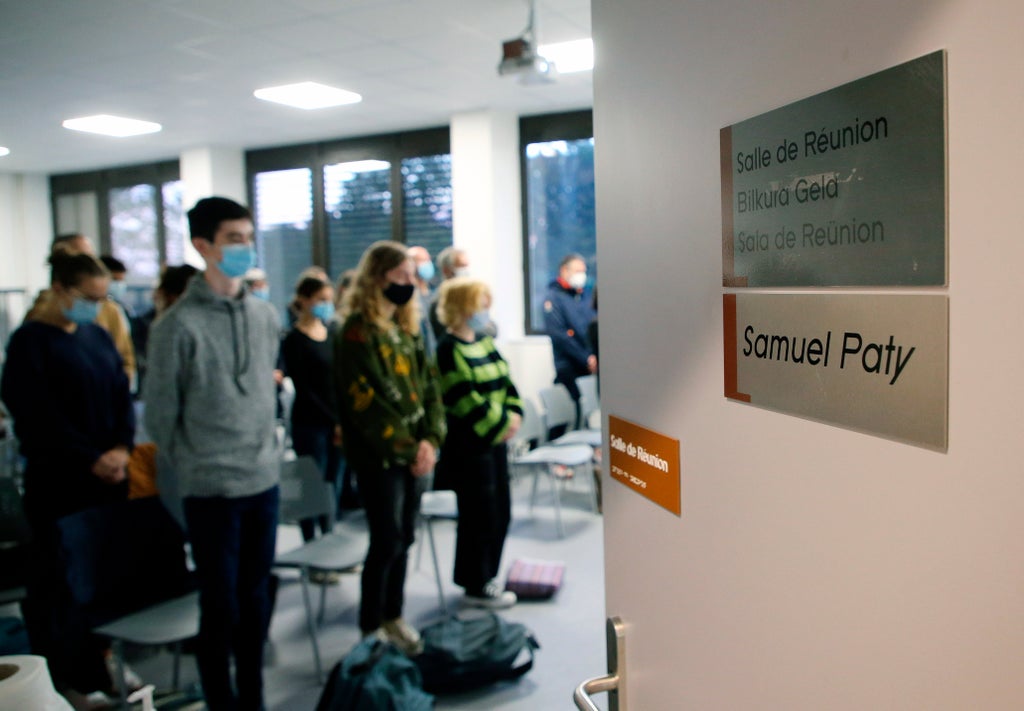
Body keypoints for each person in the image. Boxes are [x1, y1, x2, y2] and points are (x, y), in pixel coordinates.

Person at [144, 196, 281, 711]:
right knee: (220, 606)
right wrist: (198, 461)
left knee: (256, 599)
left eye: (249, 237)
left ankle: (254, 700)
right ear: (203, 246)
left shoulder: (264, 315)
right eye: (233, 239)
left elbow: (263, 393)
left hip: (262, 480)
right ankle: (222, 703)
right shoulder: (175, 326)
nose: (245, 247)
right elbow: (161, 418)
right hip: (210, 489)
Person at [1, 251, 135, 708]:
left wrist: (121, 449)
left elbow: (120, 395)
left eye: (102, 299)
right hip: (60, 483)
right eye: (88, 298)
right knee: (60, 586)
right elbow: (37, 416)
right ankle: (66, 683)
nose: (96, 308)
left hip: (108, 479)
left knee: (104, 578)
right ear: (60, 289)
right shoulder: (30, 344)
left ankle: (105, 665)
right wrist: (90, 457)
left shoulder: (97, 336)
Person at [333, 240, 445, 656]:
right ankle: (370, 624)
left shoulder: (406, 326)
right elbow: (366, 404)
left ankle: (393, 615)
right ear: (378, 278)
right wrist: (410, 448)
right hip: (380, 456)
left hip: (417, 452)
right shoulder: (355, 332)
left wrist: (431, 439)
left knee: (406, 536)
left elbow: (430, 385)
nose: (409, 283)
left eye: (411, 276)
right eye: (401, 275)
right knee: (386, 539)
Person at [435, 277, 522, 609]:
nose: (486, 311)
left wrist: (514, 416)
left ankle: (488, 577)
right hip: (470, 448)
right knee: (479, 516)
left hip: (495, 443)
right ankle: (475, 583)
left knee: (501, 512)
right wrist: (501, 425)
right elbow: (463, 399)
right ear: (462, 307)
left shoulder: (485, 341)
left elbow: (507, 383)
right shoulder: (447, 349)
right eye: (480, 304)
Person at [279, 275, 342, 547]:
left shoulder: (332, 334)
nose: (326, 305)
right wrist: (332, 418)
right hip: (310, 421)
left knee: (332, 484)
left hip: (336, 422)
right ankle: (311, 543)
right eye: (321, 300)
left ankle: (329, 538)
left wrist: (341, 421)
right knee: (311, 483)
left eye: (329, 300)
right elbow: (305, 387)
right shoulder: (293, 339)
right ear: (304, 301)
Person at [26, 234, 137, 387]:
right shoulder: (34, 330)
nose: (87, 262)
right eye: (88, 298)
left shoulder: (101, 328)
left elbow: (124, 361)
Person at [543, 253, 596, 425]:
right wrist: (586, 358)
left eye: (584, 271)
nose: (582, 275)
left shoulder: (584, 296)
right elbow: (560, 335)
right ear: (564, 270)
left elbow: (591, 327)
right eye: (578, 271)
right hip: (568, 366)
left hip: (589, 365)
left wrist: (594, 355)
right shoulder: (553, 297)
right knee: (571, 417)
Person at [429, 247, 497, 341]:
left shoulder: (471, 296)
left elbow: (492, 329)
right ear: (446, 270)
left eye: (467, 266)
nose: (465, 271)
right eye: (461, 266)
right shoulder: (440, 301)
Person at [407, 245, 438, 359]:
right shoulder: (408, 297)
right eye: (422, 260)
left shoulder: (435, 293)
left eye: (428, 260)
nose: (427, 264)